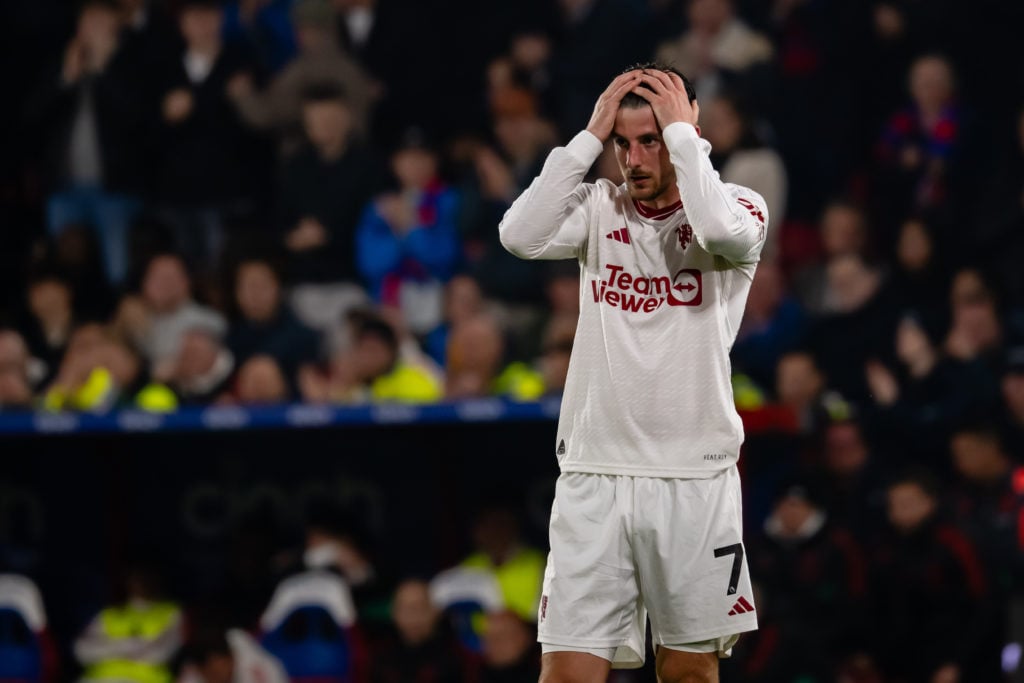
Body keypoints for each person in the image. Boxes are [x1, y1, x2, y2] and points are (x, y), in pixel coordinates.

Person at [498, 61, 769, 681]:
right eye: (625, 143)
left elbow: (720, 232)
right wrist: (587, 140)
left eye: (652, 139)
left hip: (693, 478)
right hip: (594, 474)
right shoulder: (599, 208)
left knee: (689, 674)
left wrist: (684, 139)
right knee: (566, 673)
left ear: (685, 133)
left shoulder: (740, 208)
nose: (635, 157)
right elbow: (519, 234)